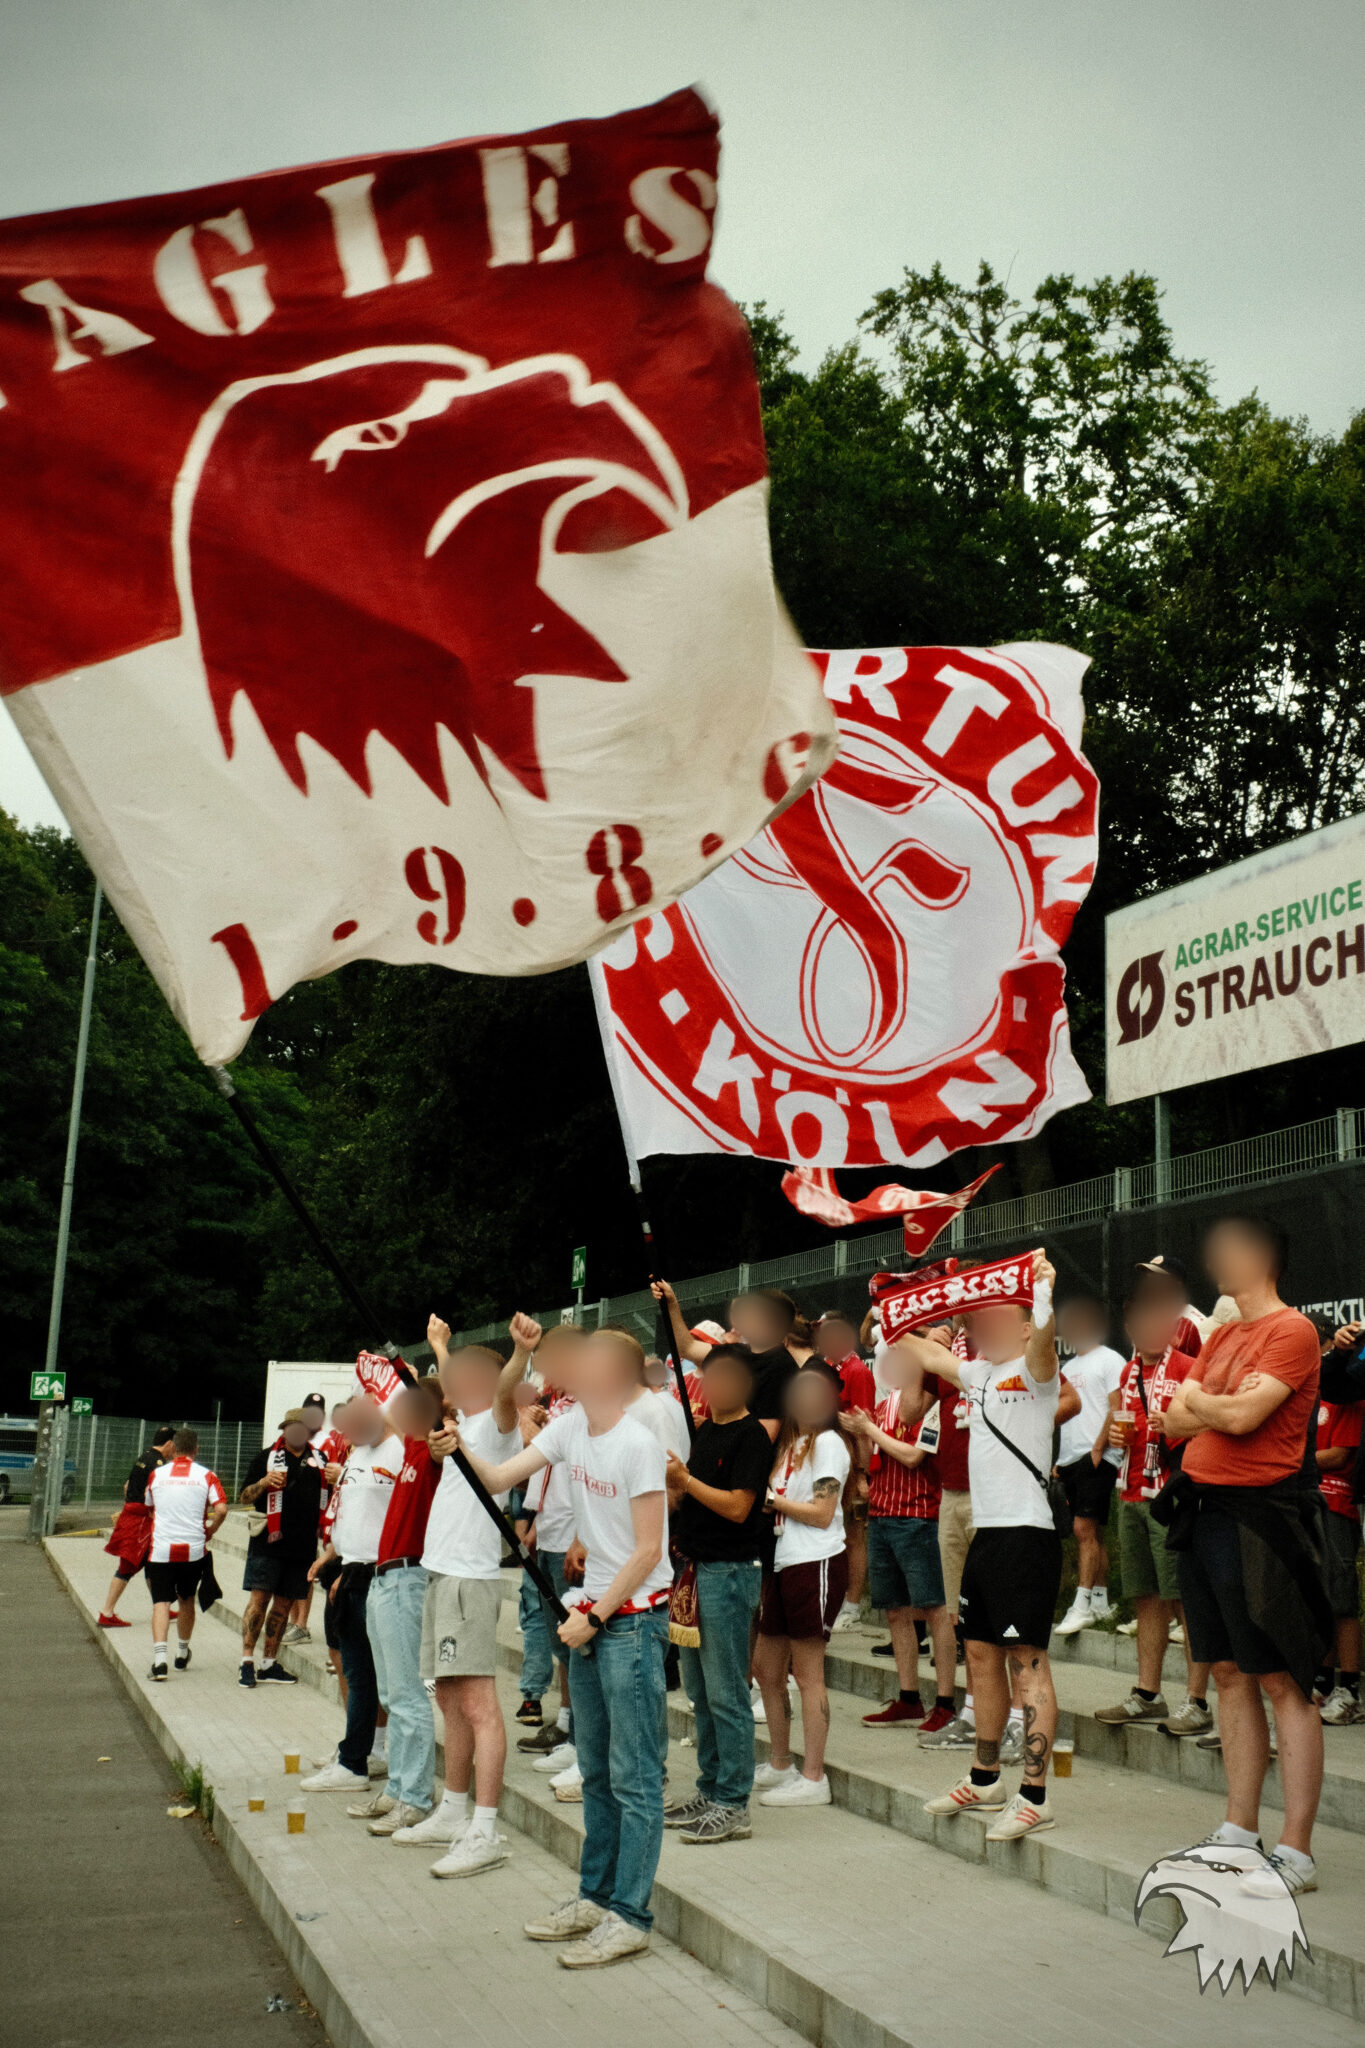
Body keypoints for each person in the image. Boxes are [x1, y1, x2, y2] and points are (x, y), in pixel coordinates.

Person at [459, 1328, 672, 1970]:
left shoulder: (639, 1442)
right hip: (590, 1618)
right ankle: (595, 1896)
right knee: (599, 1772)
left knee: (634, 1777)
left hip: (629, 1623)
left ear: (615, 1373)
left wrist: (596, 1615)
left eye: (586, 1359)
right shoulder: (570, 1426)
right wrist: (457, 1448)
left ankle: (630, 1916)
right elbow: (499, 1474)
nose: (571, 1367)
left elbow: (648, 1550)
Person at [1163, 1214, 1331, 1898]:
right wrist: (1209, 1402)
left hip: (1263, 1522)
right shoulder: (1225, 1334)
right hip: (1202, 1514)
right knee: (1227, 1671)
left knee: (1282, 1679)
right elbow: (1171, 1421)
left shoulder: (1291, 1331)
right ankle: (1238, 1830)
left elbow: (1237, 1419)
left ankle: (1296, 1848)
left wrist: (1204, 1402)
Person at [907, 1253, 1065, 1839]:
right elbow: (919, 1352)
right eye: (979, 1322)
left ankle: (1036, 1794)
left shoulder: (1037, 1370)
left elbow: (1046, 1341)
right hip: (987, 1535)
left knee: (1027, 1666)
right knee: (979, 1658)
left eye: (996, 1318)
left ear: (1024, 1326)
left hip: (1027, 1534)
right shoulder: (976, 1374)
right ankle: (984, 1775)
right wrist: (912, 1314)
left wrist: (1043, 1293)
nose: (982, 1327)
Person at [393, 1318, 526, 1875]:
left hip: (470, 1581)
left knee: (477, 1705)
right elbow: (453, 1379)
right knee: (448, 1699)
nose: (457, 1381)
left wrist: (520, 1350)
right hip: (440, 1575)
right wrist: (441, 1346)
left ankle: (486, 1829)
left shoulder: (498, 1421)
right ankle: (452, 1811)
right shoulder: (462, 1420)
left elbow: (502, 1388)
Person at [662, 1343, 772, 1840]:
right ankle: (710, 1788)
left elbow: (738, 1507)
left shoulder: (751, 1435)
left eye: (728, 1377)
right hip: (690, 1570)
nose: (717, 1386)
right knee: (699, 1691)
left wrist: (687, 1480)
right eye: (710, 1377)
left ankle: (733, 1801)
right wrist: (675, 1486)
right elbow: (693, 1498)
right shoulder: (705, 1429)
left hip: (728, 1574)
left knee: (727, 1693)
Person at [1095, 1270, 1211, 1735]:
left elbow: (1214, 1428)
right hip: (1130, 1490)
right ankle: (1148, 1693)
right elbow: (1125, 1428)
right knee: (1145, 1597)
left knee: (1184, 1597)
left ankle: (1197, 1701)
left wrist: (1179, 1425)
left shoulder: (1189, 1367)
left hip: (1172, 1494)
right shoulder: (1127, 1371)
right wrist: (1118, 1436)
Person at [753, 1366, 852, 1806]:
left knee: (808, 1673)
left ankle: (814, 1778)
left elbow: (822, 1512)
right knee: (765, 1666)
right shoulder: (791, 1444)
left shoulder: (829, 1443)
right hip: (783, 1559)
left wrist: (771, 1501)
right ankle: (780, 1761)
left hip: (817, 1560)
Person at [847, 1350, 956, 1735]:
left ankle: (945, 1702)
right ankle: (909, 1697)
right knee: (895, 1611)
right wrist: (859, 1441)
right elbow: (875, 1452)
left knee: (935, 1609)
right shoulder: (880, 1405)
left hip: (919, 1517)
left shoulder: (930, 1406)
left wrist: (870, 1431)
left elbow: (912, 1456)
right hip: (881, 1514)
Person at [301, 1394, 404, 1795]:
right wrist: (335, 1560)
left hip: (383, 1574)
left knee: (386, 1679)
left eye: (363, 1418)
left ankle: (377, 1762)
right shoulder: (358, 1453)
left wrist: (366, 1569)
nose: (353, 1428)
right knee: (359, 1674)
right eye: (349, 1422)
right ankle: (356, 1758)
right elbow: (350, 1516)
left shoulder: (399, 1452)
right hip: (350, 1570)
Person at [516, 1323, 587, 1774]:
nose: (542, 1366)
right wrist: (534, 1518)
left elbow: (588, 1477)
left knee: (575, 1643)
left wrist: (582, 1534)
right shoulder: (558, 1405)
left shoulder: (588, 1409)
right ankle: (566, 1723)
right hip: (550, 1531)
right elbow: (546, 1468)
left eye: (549, 1356)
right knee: (558, 1642)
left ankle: (582, 1737)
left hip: (574, 1542)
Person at [1052, 1297, 1126, 1634]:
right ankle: (1100, 1602)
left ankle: (1080, 1603)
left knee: (1083, 1530)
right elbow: (1063, 1416)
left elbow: (1118, 1405)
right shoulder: (1067, 1369)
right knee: (1091, 1532)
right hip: (1070, 1460)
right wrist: (1059, 1461)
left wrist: (1099, 1448)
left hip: (1098, 1456)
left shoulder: (1110, 1359)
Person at [237, 1408, 323, 1686]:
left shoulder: (319, 1461)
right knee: (259, 1602)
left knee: (283, 1607)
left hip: (302, 1548)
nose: (296, 1432)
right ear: (284, 1430)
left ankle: (269, 1663)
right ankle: (247, 1661)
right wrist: (263, 1482)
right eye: (291, 1427)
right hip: (268, 1545)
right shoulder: (266, 1458)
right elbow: (243, 1496)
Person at [1311, 1314, 1364, 1725]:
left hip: (1339, 1503)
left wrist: (1293, 1462)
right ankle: (1326, 1681)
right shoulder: (1316, 1385)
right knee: (1321, 1599)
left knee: (1342, 1600)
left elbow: (1342, 1455)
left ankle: (1351, 1688)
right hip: (1308, 1501)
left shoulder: (1346, 1394)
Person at [655, 1280, 799, 1428]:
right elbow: (688, 1347)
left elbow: (767, 1432)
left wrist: (711, 1428)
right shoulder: (737, 1352)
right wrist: (671, 1304)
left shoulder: (782, 1367)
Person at [145, 1428, 227, 1680]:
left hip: (161, 1549)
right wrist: (210, 1530)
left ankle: (159, 1661)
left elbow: (149, 1507)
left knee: (160, 1602)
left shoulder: (156, 1474)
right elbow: (222, 1509)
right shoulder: (207, 1476)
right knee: (186, 1600)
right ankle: (181, 1654)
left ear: (173, 1447)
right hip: (192, 1550)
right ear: (196, 1449)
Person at [813, 1313, 877, 1631]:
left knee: (853, 1535)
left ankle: (851, 1606)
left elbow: (864, 1427)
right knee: (833, 1532)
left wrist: (863, 1474)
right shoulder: (827, 1368)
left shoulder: (857, 1371)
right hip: (828, 1462)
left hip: (851, 1464)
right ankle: (836, 1600)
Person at [286, 1393, 347, 1645]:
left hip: (316, 1515)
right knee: (292, 1569)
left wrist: (326, 1520)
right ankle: (294, 1620)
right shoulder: (292, 1438)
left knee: (307, 1569)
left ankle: (302, 1623)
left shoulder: (328, 1440)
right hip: (293, 1515)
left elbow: (330, 1483)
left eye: (317, 1411)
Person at [98, 1425, 175, 1627]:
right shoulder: (158, 1464)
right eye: (173, 1445)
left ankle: (162, 1606)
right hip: (141, 1520)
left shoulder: (144, 1457)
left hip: (133, 1516)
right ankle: (107, 1612)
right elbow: (158, 1492)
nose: (174, 1450)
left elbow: (126, 1486)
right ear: (169, 1443)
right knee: (127, 1566)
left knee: (151, 1564)